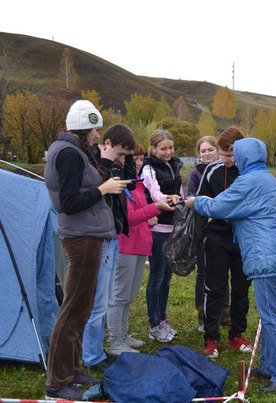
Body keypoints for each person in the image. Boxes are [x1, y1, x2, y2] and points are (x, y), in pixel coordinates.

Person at [186, 137, 276, 393]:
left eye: (236, 154)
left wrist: (196, 201)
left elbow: (221, 206)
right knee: (270, 314)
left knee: (272, 317)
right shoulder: (265, 176)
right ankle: (270, 366)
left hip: (265, 253)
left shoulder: (248, 181)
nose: (233, 159)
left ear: (245, 156)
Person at [44, 100, 128, 400]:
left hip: (88, 235)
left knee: (81, 308)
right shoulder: (68, 154)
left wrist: (106, 183)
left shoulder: (74, 151)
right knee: (72, 309)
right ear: (84, 128)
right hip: (80, 238)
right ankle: (57, 381)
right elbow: (67, 203)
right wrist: (102, 191)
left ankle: (73, 367)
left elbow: (79, 193)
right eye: (95, 129)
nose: (97, 135)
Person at [107, 143, 174, 356]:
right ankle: (115, 340)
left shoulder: (137, 185)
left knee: (129, 295)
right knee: (119, 296)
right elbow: (128, 218)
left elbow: (140, 214)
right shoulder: (122, 185)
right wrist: (155, 209)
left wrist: (150, 217)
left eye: (139, 159)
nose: (138, 163)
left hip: (140, 245)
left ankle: (123, 335)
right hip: (126, 245)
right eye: (133, 158)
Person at [82, 123, 137, 372]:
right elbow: (97, 189)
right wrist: (106, 161)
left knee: (106, 298)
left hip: (113, 234)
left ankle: (96, 350)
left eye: (126, 155)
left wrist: (124, 161)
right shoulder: (94, 160)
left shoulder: (115, 161)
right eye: (119, 153)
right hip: (100, 236)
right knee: (98, 300)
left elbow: (130, 185)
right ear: (105, 144)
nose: (121, 158)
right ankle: (92, 355)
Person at [198, 126, 252, 358]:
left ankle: (236, 334)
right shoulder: (212, 170)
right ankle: (211, 338)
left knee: (242, 289)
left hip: (243, 239)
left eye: (230, 156)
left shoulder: (250, 173)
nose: (226, 160)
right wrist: (203, 236)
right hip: (217, 237)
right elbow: (200, 203)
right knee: (214, 288)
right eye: (223, 155)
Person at [142, 130, 183, 342]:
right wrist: (170, 199)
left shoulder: (175, 164)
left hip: (172, 227)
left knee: (167, 278)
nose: (168, 152)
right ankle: (153, 323)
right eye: (163, 148)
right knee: (156, 276)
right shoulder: (148, 168)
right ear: (154, 148)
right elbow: (155, 192)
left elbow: (180, 188)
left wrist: (183, 199)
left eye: (170, 148)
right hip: (157, 228)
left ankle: (162, 319)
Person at [187, 136, 220, 334]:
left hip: (224, 226)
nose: (207, 153)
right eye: (203, 151)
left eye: (210, 150)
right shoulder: (196, 173)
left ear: (217, 150)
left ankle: (224, 312)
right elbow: (192, 198)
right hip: (202, 225)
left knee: (223, 272)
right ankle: (202, 314)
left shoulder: (226, 171)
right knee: (204, 271)